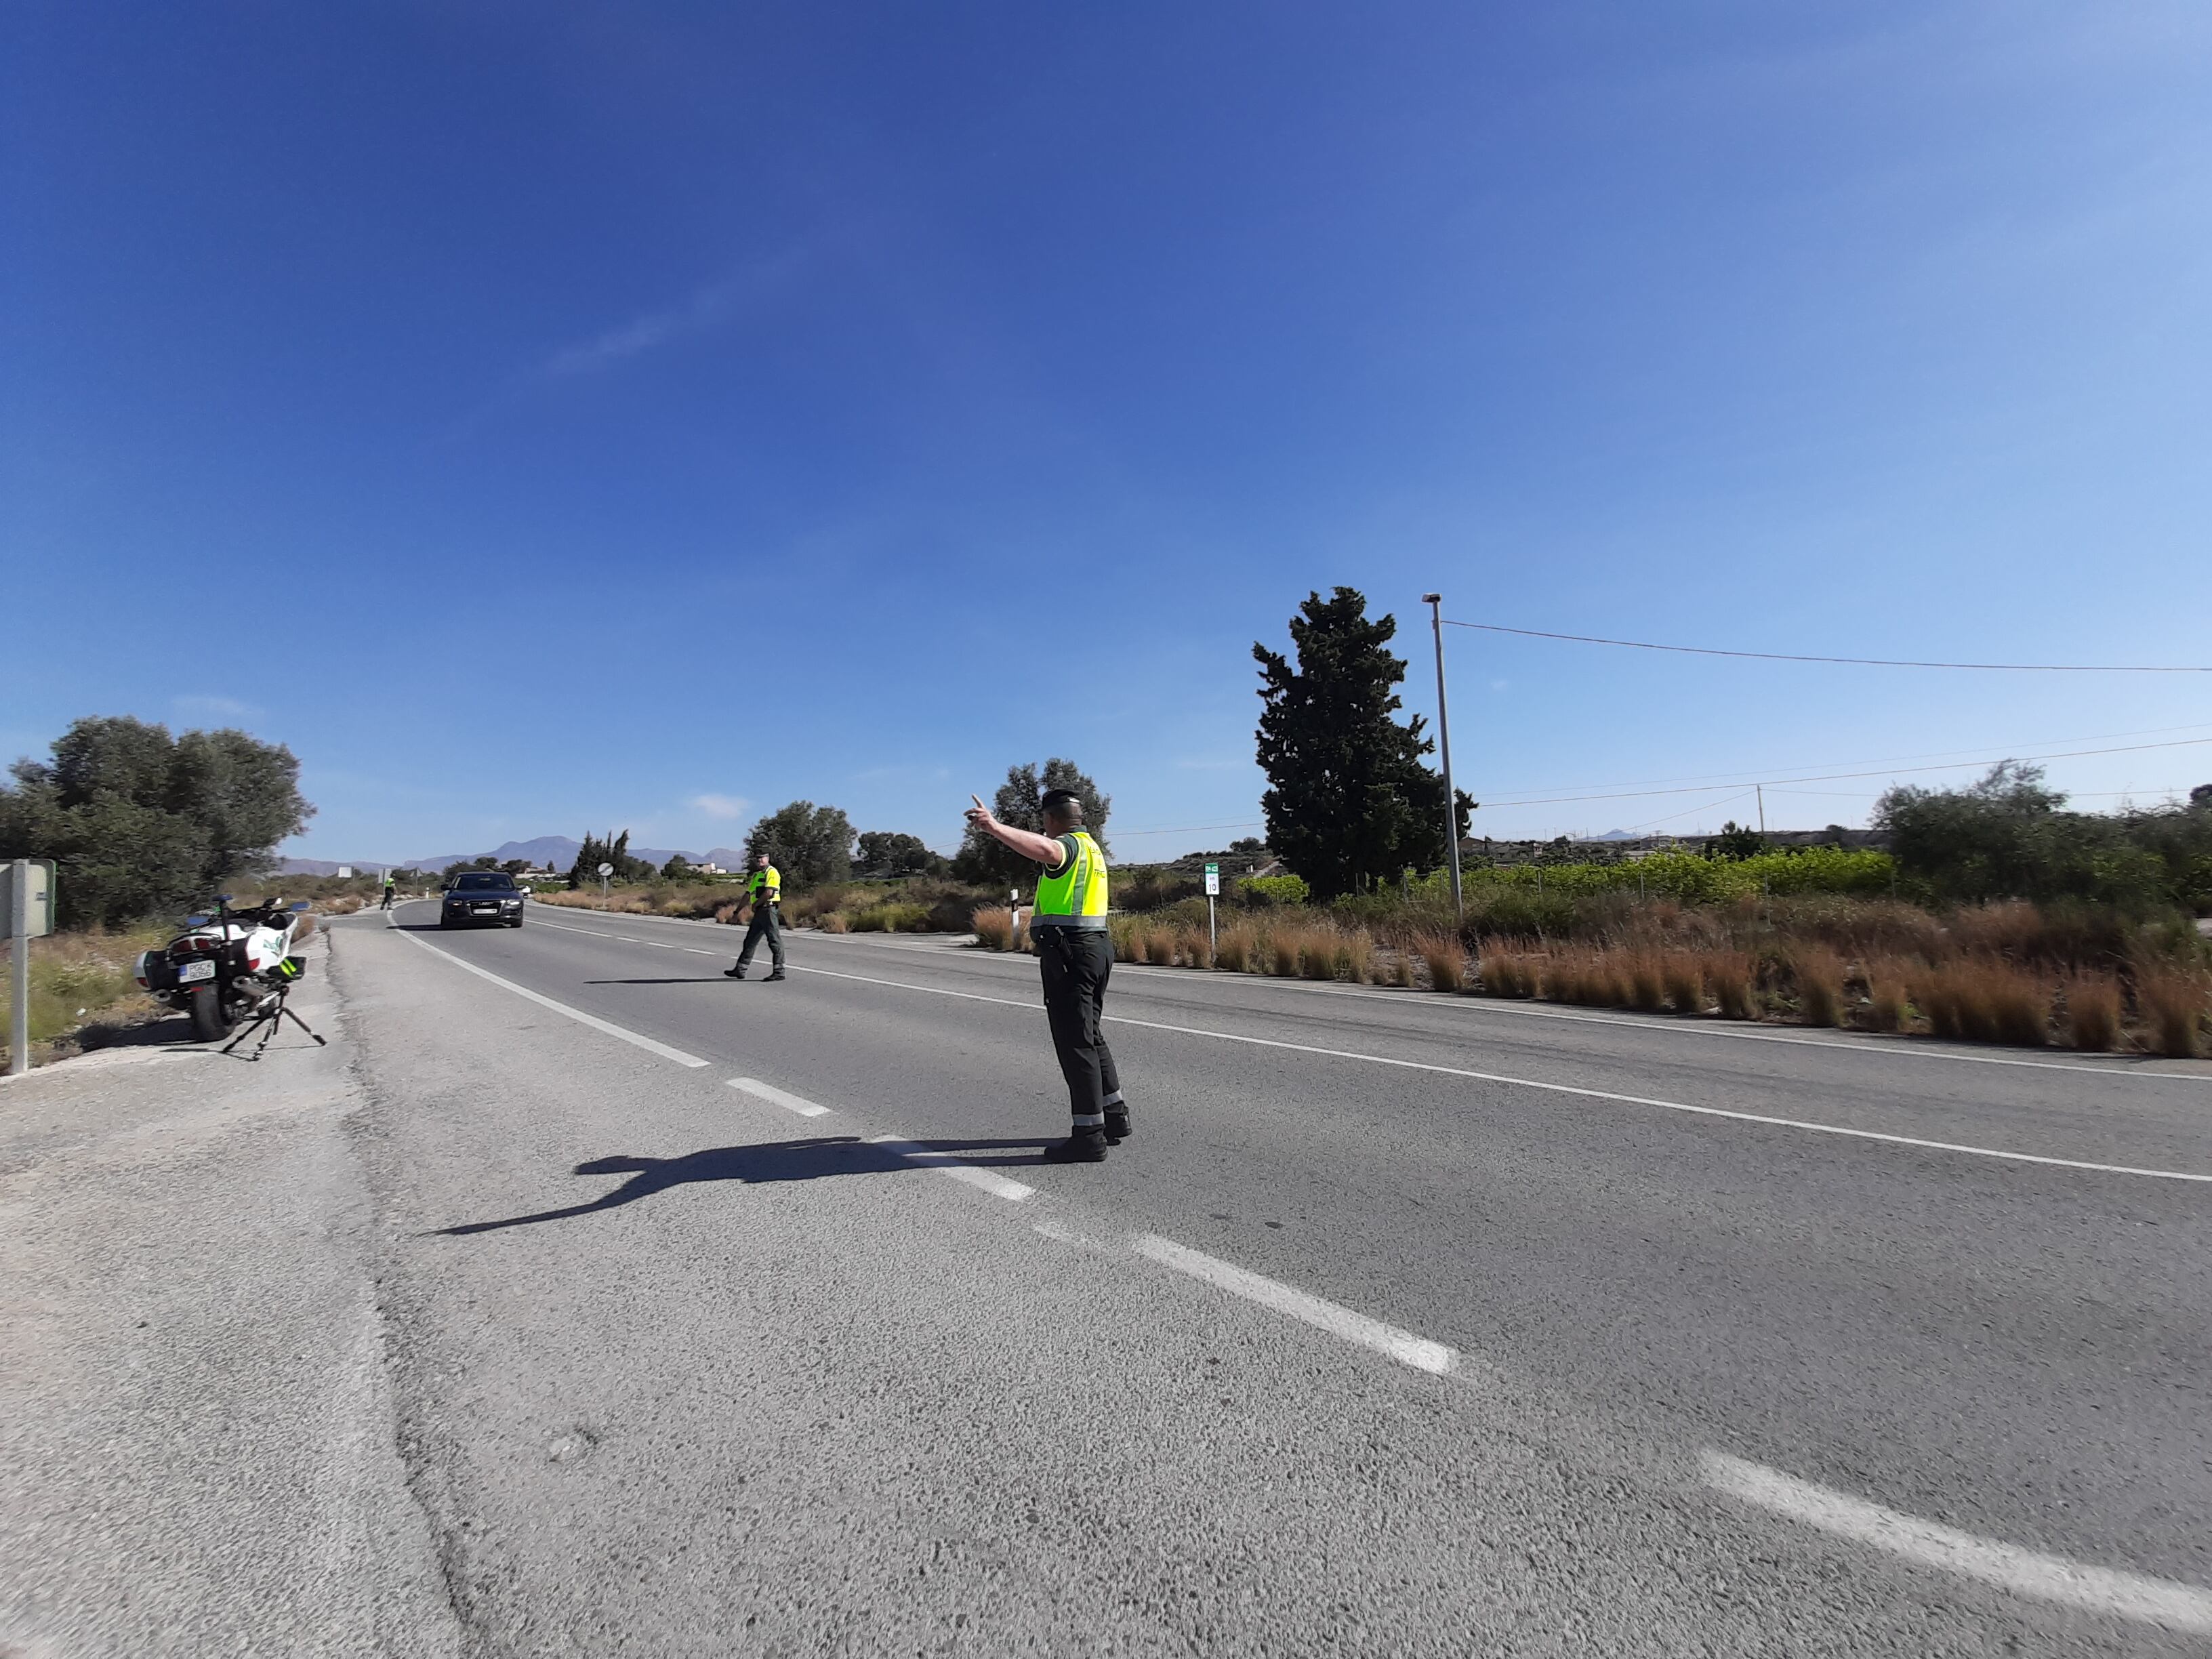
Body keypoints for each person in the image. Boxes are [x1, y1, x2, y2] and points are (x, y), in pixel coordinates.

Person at [964, 787, 1127, 1162]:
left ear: (1050, 819)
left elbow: (1047, 851)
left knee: (1075, 1043)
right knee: (1091, 1036)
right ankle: (1115, 1116)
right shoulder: (1093, 849)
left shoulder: (1067, 846)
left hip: (1070, 954)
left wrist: (992, 827)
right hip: (1095, 948)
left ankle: (1089, 1136)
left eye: (1044, 822)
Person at [724, 852, 786, 981]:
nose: (759, 861)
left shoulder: (772, 872)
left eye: (762, 858)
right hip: (759, 912)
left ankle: (779, 971)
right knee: (750, 941)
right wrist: (737, 912)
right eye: (757, 859)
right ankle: (740, 970)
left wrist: (756, 904)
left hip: (768, 909)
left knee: (774, 941)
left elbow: (769, 892)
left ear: (767, 859)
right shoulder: (757, 875)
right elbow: (748, 894)